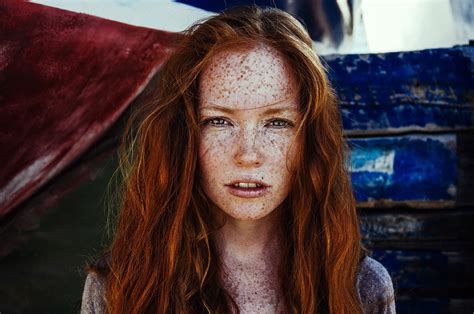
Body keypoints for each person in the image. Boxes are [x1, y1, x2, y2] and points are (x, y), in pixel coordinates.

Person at [81, 5, 396, 314]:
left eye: (277, 123)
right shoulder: (119, 287)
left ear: (307, 140)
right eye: (219, 121)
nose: (247, 154)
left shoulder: (362, 289)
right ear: (185, 135)